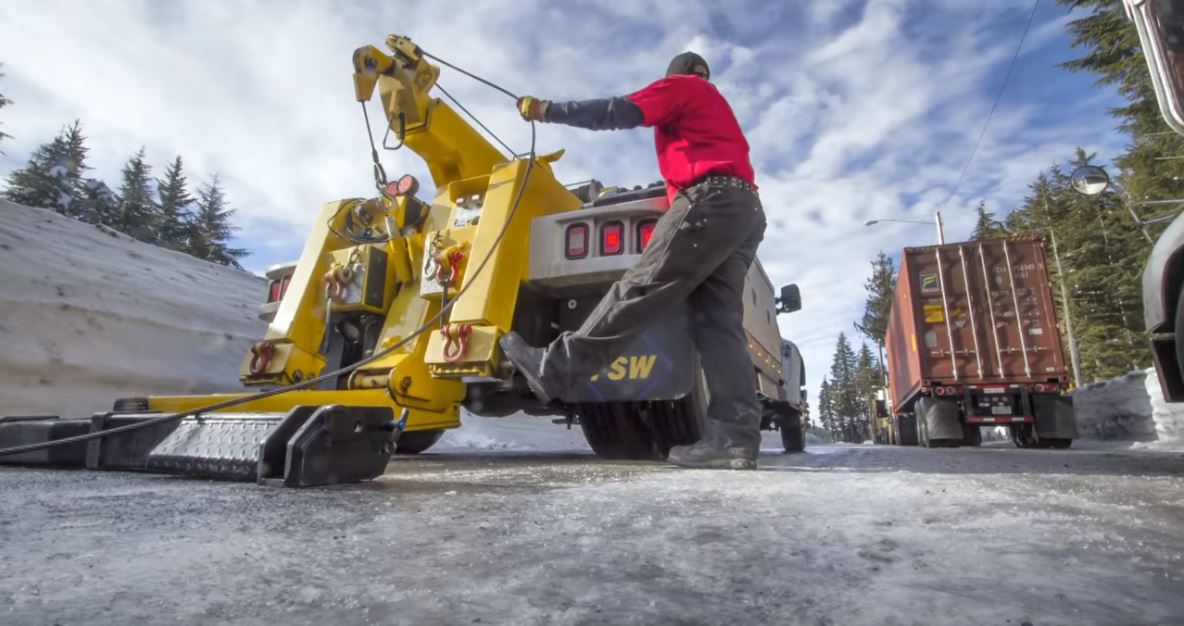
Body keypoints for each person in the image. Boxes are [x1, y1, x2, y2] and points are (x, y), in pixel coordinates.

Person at [500, 52, 767, 470]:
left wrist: (547, 110)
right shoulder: (716, 108)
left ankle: (555, 368)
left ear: (675, 75)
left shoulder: (684, 88)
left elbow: (620, 110)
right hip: (745, 210)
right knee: (718, 326)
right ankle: (734, 440)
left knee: (641, 288)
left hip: (708, 200)